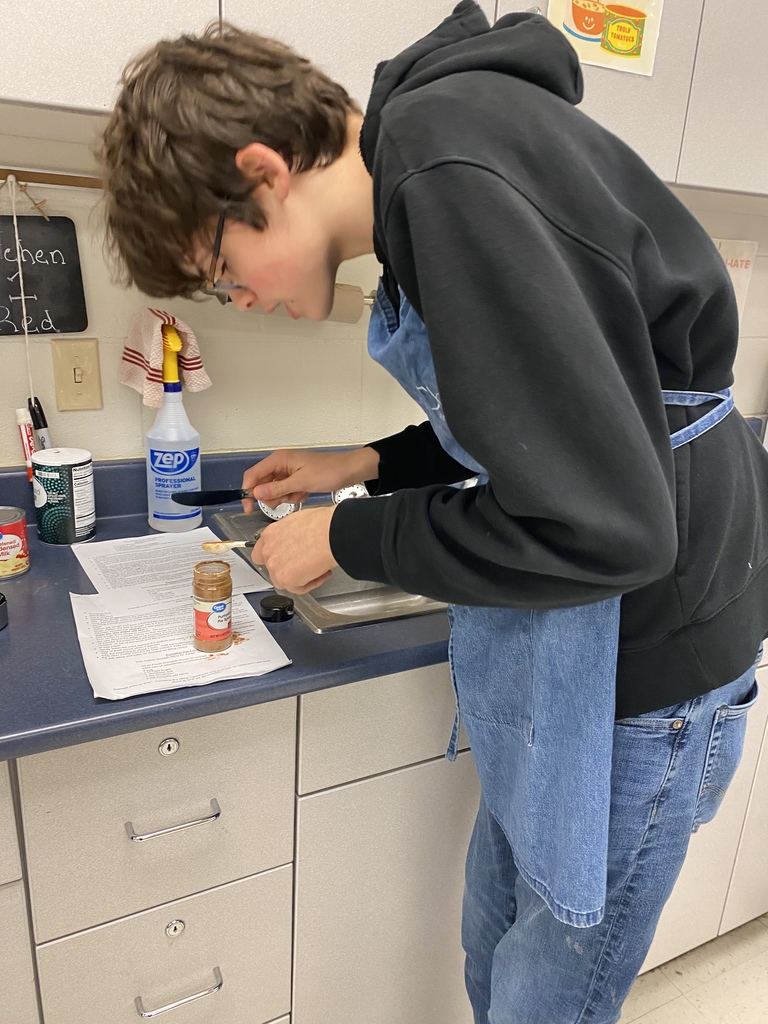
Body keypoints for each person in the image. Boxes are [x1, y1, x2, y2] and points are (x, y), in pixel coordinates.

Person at [99, 4, 768, 1021]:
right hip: (582, 652)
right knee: (493, 950)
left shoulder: (443, 167)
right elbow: (536, 420)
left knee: (545, 1000)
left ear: (263, 175)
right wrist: (368, 462)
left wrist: (345, 533)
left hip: (646, 658)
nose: (242, 298)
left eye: (224, 273)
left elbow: (605, 526)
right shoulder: (434, 157)